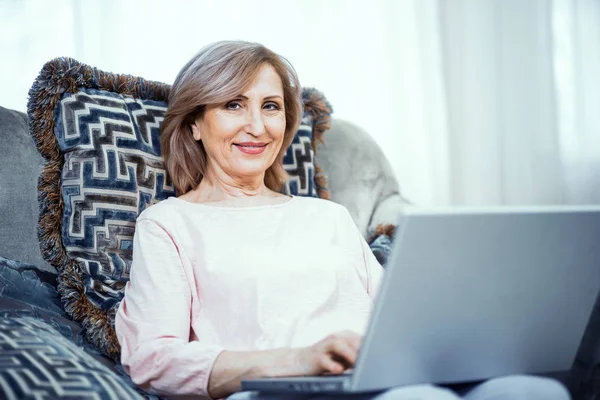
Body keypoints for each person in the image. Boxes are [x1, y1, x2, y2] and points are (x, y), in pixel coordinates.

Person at [115, 41, 570, 400]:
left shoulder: (328, 216)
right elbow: (151, 359)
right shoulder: (169, 223)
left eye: (271, 106)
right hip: (274, 390)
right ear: (194, 123)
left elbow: (394, 322)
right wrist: (299, 359)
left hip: (375, 379)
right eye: (233, 104)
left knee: (534, 389)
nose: (257, 125)